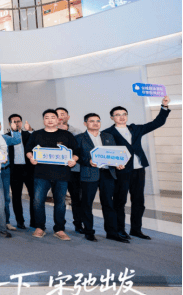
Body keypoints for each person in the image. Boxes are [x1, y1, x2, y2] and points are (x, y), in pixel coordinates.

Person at [102, 96, 171, 240]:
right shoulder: (107, 133)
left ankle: (136, 229)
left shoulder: (136, 128)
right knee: (120, 201)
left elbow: (157, 123)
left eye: (124, 114)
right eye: (118, 115)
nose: (122, 117)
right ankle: (120, 230)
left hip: (138, 170)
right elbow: (105, 153)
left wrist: (164, 107)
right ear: (112, 117)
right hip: (121, 170)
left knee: (139, 201)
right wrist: (113, 164)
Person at [26, 109, 80, 241]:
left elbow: (77, 151)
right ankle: (40, 227)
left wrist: (74, 160)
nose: (50, 120)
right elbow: (28, 150)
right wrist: (31, 158)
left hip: (61, 174)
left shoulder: (67, 135)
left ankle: (59, 229)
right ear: (43, 120)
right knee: (38, 201)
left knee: (60, 203)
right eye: (47, 117)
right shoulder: (37, 134)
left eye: (52, 117)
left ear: (57, 120)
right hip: (41, 174)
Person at [75, 113, 127, 243]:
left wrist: (118, 163)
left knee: (108, 203)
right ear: (85, 123)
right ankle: (89, 232)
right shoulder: (79, 138)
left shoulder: (108, 136)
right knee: (87, 203)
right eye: (91, 121)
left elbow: (114, 154)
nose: (95, 123)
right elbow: (77, 156)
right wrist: (88, 161)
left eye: (98, 121)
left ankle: (112, 232)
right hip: (89, 173)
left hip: (107, 173)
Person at [56, 107, 84, 234]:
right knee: (59, 199)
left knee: (76, 198)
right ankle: (59, 225)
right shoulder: (50, 132)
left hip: (74, 170)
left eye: (63, 114)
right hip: (57, 170)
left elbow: (81, 150)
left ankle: (78, 224)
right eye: (57, 114)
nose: (60, 116)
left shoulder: (77, 132)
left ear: (68, 117)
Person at [7, 114, 35, 229]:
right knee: (16, 196)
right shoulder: (6, 136)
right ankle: (20, 221)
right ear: (10, 123)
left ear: (22, 123)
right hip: (14, 170)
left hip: (29, 169)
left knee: (34, 196)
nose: (16, 123)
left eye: (18, 121)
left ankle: (34, 221)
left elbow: (37, 140)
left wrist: (30, 130)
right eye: (13, 121)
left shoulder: (28, 134)